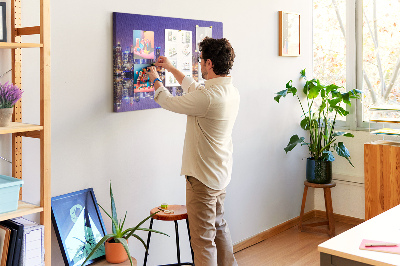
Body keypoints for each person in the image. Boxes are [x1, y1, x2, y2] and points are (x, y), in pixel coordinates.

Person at [145, 37, 239, 266]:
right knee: (219, 229)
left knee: (203, 241)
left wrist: (155, 79)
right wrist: (170, 68)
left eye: (200, 62)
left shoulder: (207, 98)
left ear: (209, 63)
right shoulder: (230, 92)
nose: (198, 66)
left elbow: (168, 101)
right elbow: (194, 88)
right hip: (219, 175)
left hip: (202, 179)